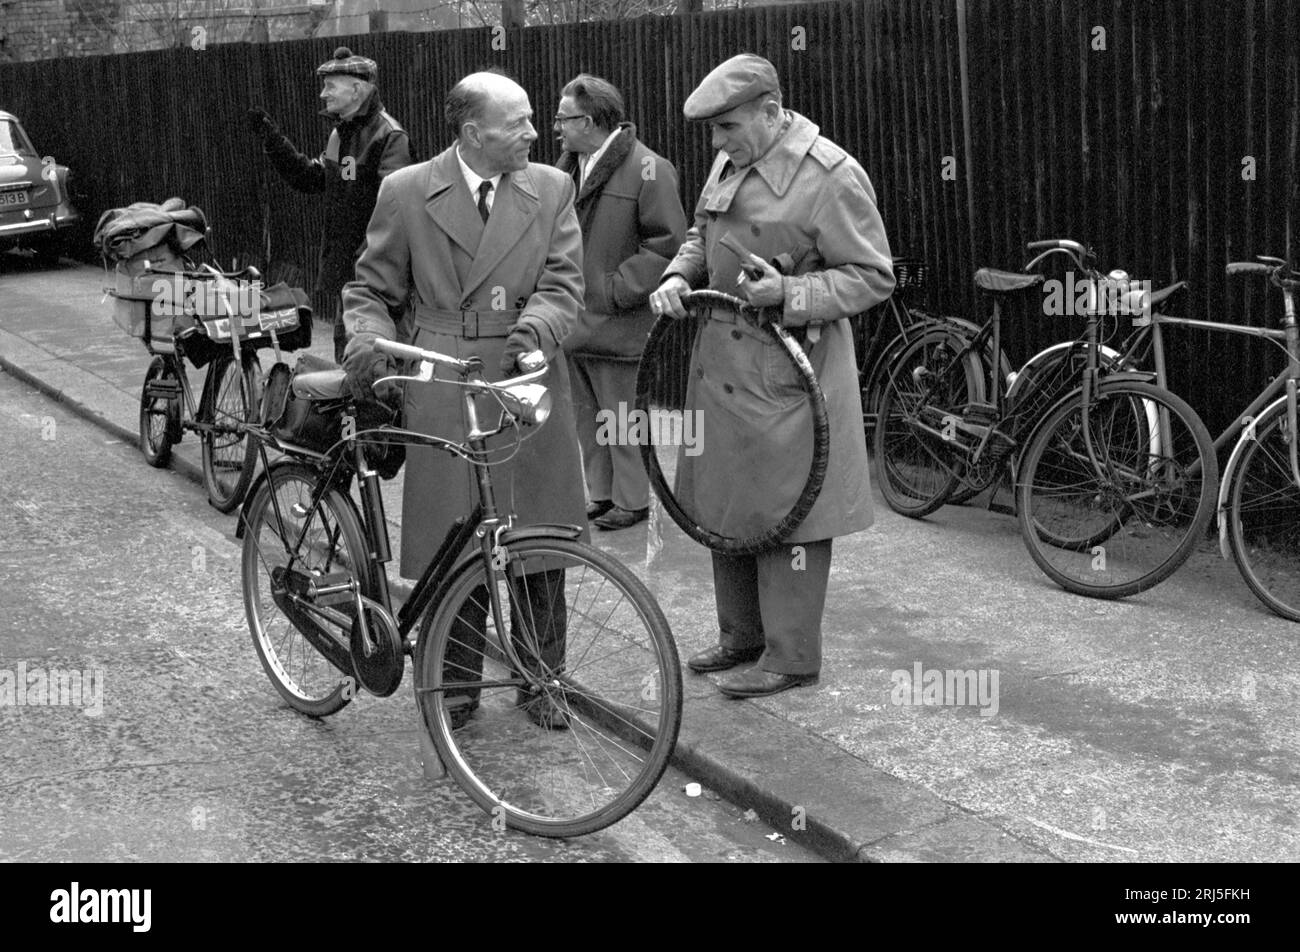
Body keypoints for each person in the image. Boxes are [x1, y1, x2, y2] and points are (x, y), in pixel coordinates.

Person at [340, 70, 587, 730]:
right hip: (444, 376)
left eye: (536, 119)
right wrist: (371, 340)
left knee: (539, 538)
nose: (536, 133)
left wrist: (538, 331)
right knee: (459, 542)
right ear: (475, 134)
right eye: (520, 124)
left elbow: (564, 284)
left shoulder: (554, 188)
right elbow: (372, 290)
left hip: (523, 375)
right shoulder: (408, 191)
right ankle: (454, 684)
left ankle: (542, 680)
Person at [650, 53, 895, 699]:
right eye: (714, 131)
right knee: (724, 506)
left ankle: (792, 655)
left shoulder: (831, 175)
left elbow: (873, 276)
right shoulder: (732, 158)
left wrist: (791, 290)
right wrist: (679, 275)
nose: (716, 142)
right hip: (723, 367)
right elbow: (705, 236)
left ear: (769, 110)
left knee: (790, 515)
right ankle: (742, 638)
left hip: (789, 374)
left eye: (727, 127)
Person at [555, 74, 687, 531]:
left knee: (623, 418)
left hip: (616, 320)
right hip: (576, 319)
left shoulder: (649, 168)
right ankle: (603, 494)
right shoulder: (572, 166)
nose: (556, 127)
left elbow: (667, 246)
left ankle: (633, 500)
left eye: (563, 118)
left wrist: (613, 290)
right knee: (588, 416)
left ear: (589, 121)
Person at [247, 46, 413, 363]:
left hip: (376, 285)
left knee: (376, 368)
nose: (323, 94)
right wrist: (274, 141)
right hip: (347, 281)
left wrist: (366, 268)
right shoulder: (340, 134)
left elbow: (397, 215)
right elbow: (312, 178)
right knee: (347, 368)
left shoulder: (390, 138)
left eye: (330, 85)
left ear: (356, 88)